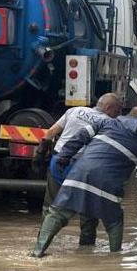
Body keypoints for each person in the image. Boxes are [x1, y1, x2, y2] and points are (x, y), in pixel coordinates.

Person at [31, 106, 137, 257]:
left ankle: (37, 252)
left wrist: (64, 156)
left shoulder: (107, 124)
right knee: (114, 222)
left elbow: (79, 137)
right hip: (107, 189)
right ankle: (114, 259)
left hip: (77, 176)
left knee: (57, 213)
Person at [33, 93, 123, 246]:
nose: (119, 114)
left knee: (50, 206)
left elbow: (50, 132)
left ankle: (42, 242)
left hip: (59, 162)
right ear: (108, 108)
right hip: (84, 169)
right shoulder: (109, 123)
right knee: (88, 209)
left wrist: (40, 154)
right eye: (118, 110)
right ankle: (86, 250)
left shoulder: (74, 111)